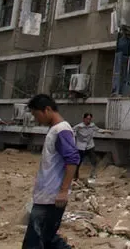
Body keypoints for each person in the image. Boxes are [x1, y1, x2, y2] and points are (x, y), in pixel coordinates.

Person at [23, 94, 79, 249]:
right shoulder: (55, 130)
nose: (36, 119)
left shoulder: (61, 130)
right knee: (47, 240)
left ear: (47, 110)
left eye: (36, 115)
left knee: (35, 241)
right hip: (46, 196)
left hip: (51, 198)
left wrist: (63, 191)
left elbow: (73, 159)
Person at [73, 113, 111, 180]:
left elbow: (98, 130)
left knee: (94, 161)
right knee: (78, 162)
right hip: (81, 147)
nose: (88, 120)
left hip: (90, 146)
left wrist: (107, 131)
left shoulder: (92, 125)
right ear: (84, 119)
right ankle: (75, 177)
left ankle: (93, 175)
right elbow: (71, 131)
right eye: (87, 119)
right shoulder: (79, 126)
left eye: (90, 119)